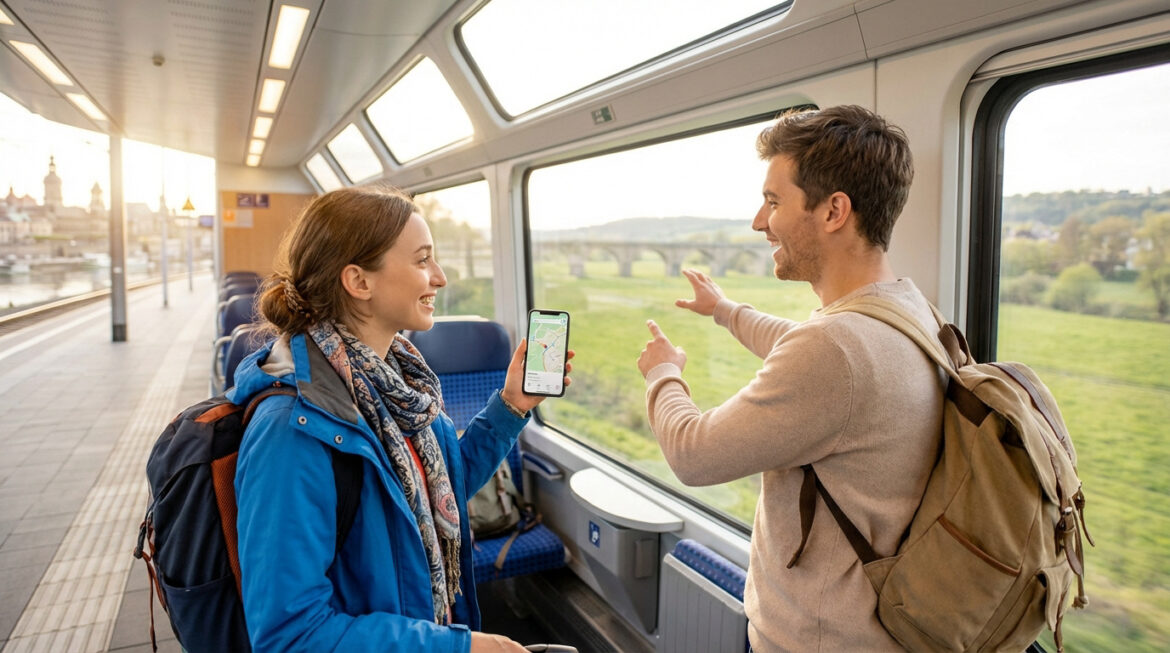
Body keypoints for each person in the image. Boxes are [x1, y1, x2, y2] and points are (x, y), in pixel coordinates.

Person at [636, 105, 946, 652]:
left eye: (774, 201)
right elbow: (808, 351)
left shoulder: (835, 349)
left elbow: (694, 454)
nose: (760, 221)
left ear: (833, 211)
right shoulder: (908, 310)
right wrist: (725, 310)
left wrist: (663, 374)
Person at [229, 185, 572, 652]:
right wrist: (462, 648)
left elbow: (440, 492)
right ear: (360, 282)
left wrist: (511, 405)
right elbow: (292, 636)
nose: (441, 278)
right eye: (422, 260)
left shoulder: (399, 382)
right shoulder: (291, 430)